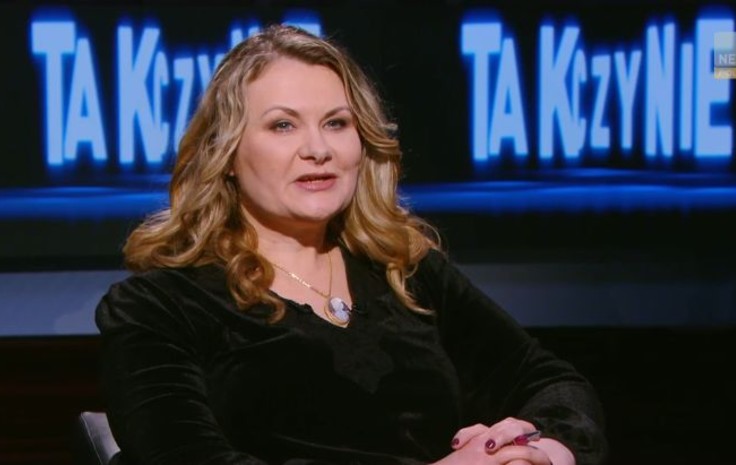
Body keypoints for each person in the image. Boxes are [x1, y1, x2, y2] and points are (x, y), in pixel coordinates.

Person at [95, 24, 607, 465]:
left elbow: (552, 383)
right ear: (226, 153)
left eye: (336, 123)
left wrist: (535, 449)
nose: (318, 149)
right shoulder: (159, 307)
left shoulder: (407, 272)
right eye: (282, 125)